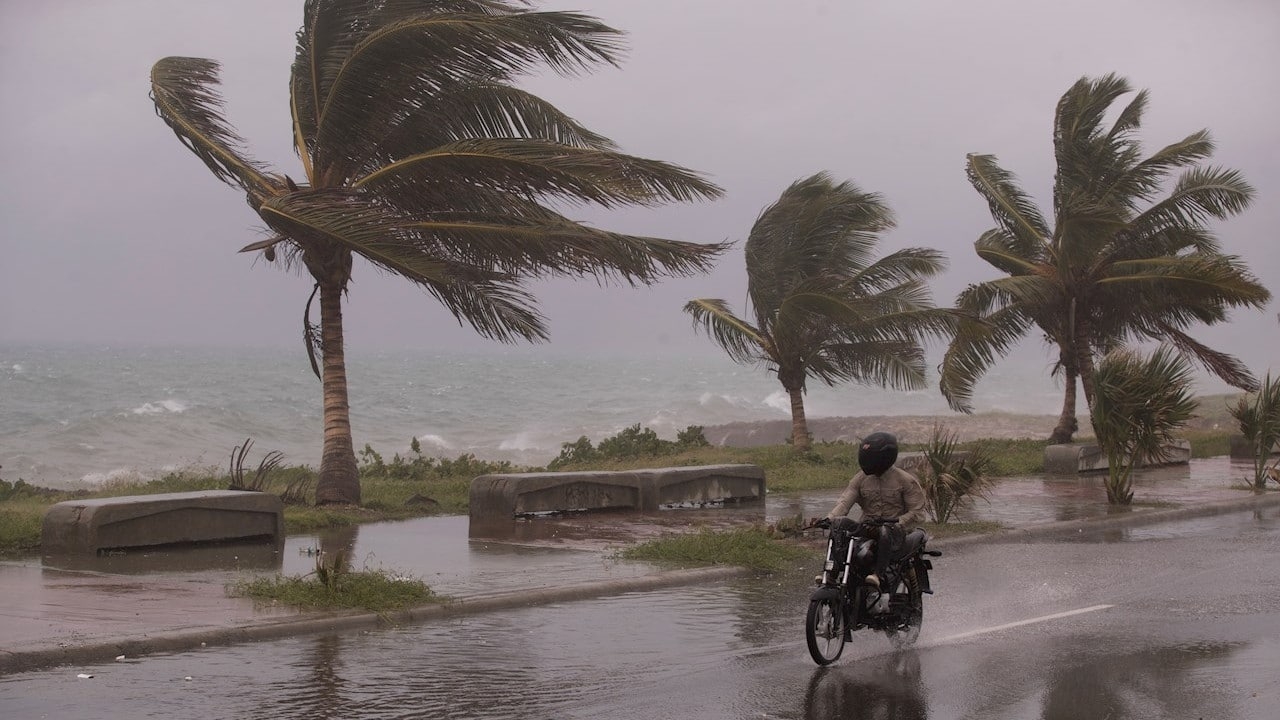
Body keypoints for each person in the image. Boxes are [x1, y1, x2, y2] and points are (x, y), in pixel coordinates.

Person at [823, 431, 926, 590]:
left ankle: (877, 575)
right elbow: (845, 503)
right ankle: (831, 573)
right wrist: (829, 518)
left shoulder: (905, 480)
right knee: (838, 525)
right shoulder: (860, 479)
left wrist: (899, 521)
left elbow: (918, 513)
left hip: (895, 532)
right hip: (867, 527)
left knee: (885, 530)